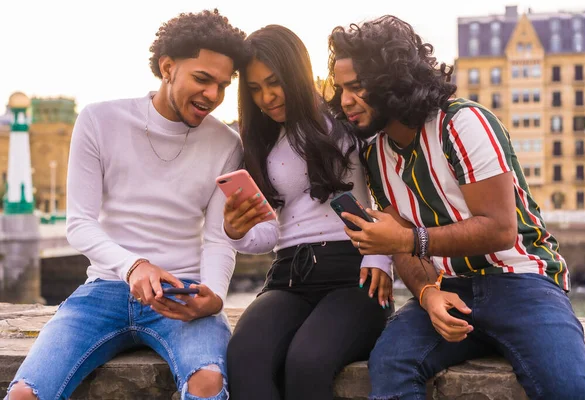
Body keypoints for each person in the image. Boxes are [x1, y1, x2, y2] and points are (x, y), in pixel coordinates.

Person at [327, 15, 585, 400]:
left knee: (567, 388)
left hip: (521, 280)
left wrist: (406, 238)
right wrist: (427, 294)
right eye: (341, 89)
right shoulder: (374, 154)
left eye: (357, 87)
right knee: (389, 365)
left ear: (393, 79)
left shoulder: (462, 123)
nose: (345, 101)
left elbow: (500, 229)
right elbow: (406, 249)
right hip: (450, 289)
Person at [6, 10, 246, 400]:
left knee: (208, 383)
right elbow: (80, 223)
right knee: (24, 394)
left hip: (182, 292)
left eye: (222, 85)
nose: (213, 96)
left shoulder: (226, 144)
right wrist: (133, 265)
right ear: (167, 67)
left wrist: (215, 294)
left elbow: (220, 239)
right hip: (104, 289)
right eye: (202, 79)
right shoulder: (100, 120)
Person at [223, 25, 393, 400]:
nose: (266, 97)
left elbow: (392, 196)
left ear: (296, 73)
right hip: (287, 276)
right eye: (254, 89)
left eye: (274, 82)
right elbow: (268, 236)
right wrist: (236, 232)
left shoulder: (346, 122)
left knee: (306, 362)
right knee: (243, 357)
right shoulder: (261, 142)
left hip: (354, 274)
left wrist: (381, 257)